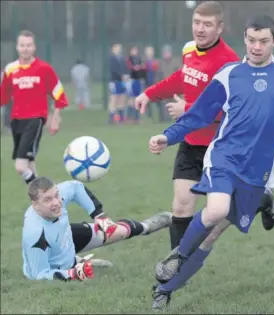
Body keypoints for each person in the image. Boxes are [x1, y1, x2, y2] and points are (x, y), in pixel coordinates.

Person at [148, 15, 274, 309]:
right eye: (251, 40)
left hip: (257, 170)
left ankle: (166, 288)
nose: (257, 47)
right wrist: (168, 137)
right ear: (244, 38)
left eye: (264, 41)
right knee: (216, 210)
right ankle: (177, 257)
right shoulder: (229, 74)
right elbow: (199, 115)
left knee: (213, 235)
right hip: (224, 156)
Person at [135, 1, 274, 253]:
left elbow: (232, 111)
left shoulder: (230, 63)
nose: (200, 29)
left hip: (221, 149)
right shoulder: (190, 50)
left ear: (220, 28)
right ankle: (175, 264)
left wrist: (186, 109)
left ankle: (261, 200)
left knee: (224, 214)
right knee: (181, 205)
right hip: (191, 143)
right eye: (196, 22)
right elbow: (181, 77)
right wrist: (150, 93)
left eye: (207, 24)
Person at [22, 176, 172, 281]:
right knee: (68, 266)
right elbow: (39, 274)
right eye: (48, 200)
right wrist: (72, 274)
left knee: (115, 231)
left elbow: (75, 187)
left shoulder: (58, 195)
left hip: (66, 235)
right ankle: (76, 263)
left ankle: (147, 226)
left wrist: (98, 215)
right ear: (35, 205)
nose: (56, 202)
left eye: (56, 196)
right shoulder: (35, 235)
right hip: (54, 253)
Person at [0, 30, 68, 185]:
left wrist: (55, 118)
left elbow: (59, 94)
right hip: (16, 120)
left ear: (34, 47)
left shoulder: (44, 68)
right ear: (17, 47)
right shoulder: (10, 70)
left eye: (29, 45)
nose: (25, 48)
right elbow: (3, 96)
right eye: (22, 45)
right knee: (30, 165)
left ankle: (45, 194)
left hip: (35, 119)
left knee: (20, 166)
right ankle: (42, 202)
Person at [108, 44, 129, 124]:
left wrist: (126, 76)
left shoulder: (122, 58)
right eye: (116, 48)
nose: (118, 49)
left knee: (122, 99)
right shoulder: (112, 59)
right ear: (113, 49)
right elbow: (113, 70)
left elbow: (125, 68)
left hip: (122, 82)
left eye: (119, 48)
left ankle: (121, 117)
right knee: (114, 99)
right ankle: (112, 117)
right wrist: (121, 76)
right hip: (115, 81)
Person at [125, 46, 144, 124]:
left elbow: (142, 67)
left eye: (136, 50)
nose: (135, 52)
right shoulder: (128, 59)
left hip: (138, 81)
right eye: (133, 50)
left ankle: (137, 117)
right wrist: (135, 68)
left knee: (137, 99)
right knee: (131, 99)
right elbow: (129, 67)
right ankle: (129, 117)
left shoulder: (139, 59)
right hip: (131, 81)